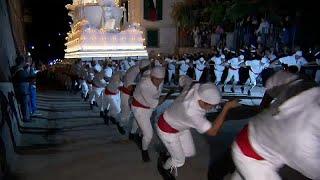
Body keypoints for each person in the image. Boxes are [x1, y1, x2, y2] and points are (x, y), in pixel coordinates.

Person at [230, 71, 319, 180]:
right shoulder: (303, 141)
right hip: (253, 155)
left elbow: (279, 79)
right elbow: (315, 171)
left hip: (259, 133)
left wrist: (264, 108)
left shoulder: (309, 88)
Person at [156, 83, 239, 179]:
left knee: (189, 152)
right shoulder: (193, 113)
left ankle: (170, 151)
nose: (212, 108)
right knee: (179, 161)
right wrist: (226, 108)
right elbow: (213, 131)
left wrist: (180, 82)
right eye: (211, 106)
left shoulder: (195, 87)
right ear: (203, 102)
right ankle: (163, 167)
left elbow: (183, 79)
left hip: (180, 124)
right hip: (167, 129)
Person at [131, 67, 165, 162]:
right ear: (151, 76)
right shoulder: (144, 85)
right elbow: (154, 103)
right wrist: (163, 99)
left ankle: (132, 134)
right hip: (139, 108)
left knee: (139, 123)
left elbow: (157, 95)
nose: (159, 82)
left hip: (148, 107)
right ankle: (144, 150)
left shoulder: (158, 78)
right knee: (149, 134)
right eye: (157, 79)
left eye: (161, 79)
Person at [119, 59, 150, 139]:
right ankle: (121, 125)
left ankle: (132, 133)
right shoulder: (133, 72)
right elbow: (129, 87)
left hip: (137, 96)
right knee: (126, 115)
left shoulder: (142, 71)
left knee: (138, 116)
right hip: (127, 95)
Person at [11, 56, 35, 122]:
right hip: (22, 90)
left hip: (21, 89)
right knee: (24, 105)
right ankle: (26, 118)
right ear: (21, 62)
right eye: (24, 61)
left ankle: (27, 117)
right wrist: (32, 76)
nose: (25, 62)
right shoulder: (19, 70)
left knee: (25, 104)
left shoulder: (16, 68)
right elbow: (24, 77)